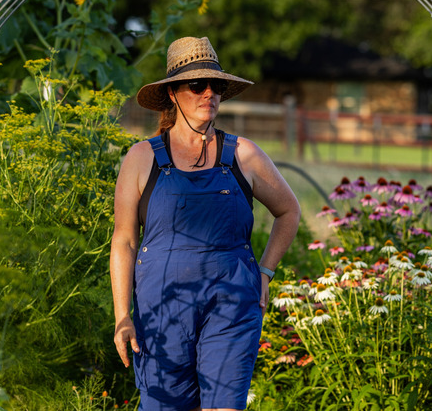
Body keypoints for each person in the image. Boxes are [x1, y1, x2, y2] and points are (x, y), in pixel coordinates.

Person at [110, 36, 300, 411]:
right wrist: (121, 316)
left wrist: (264, 272)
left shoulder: (242, 154)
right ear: (173, 94)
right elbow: (125, 241)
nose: (208, 93)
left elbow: (289, 211)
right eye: (197, 85)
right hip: (162, 307)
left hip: (231, 302)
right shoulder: (141, 158)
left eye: (216, 86)